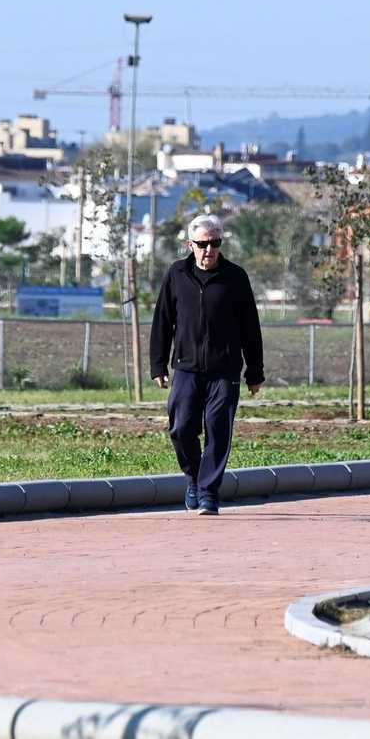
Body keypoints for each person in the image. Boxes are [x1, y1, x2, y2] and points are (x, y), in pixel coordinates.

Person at [149, 213, 264, 515]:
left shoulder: (236, 277)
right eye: (202, 244)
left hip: (225, 370)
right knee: (181, 427)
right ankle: (193, 479)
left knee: (218, 429)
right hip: (185, 368)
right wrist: (158, 365)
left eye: (215, 243)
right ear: (191, 244)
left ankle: (209, 494)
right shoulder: (176, 274)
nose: (209, 250)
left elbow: (251, 327)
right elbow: (163, 321)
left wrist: (255, 371)